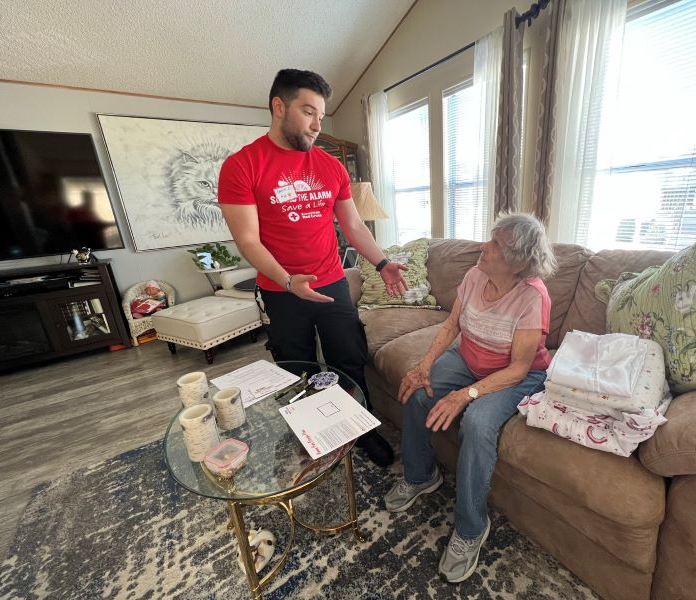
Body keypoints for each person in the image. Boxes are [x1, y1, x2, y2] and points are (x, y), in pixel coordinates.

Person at [217, 68, 408, 467]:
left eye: (321, 116)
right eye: (308, 112)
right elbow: (248, 240)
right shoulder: (242, 167)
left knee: (348, 359)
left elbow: (353, 225)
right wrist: (287, 281)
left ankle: (362, 430)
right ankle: (310, 435)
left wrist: (383, 262)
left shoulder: (331, 167)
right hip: (280, 290)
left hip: (332, 282)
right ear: (278, 106)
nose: (317, 125)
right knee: (295, 366)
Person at [384, 213, 557, 582]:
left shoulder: (532, 296)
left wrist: (468, 394)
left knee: (478, 424)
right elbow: (451, 325)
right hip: (469, 354)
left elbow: (519, 367)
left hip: (515, 374)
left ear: (518, 260)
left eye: (495, 244)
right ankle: (420, 475)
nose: (484, 247)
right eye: (489, 239)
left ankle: (470, 527)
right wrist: (424, 365)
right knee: (419, 393)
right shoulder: (476, 274)